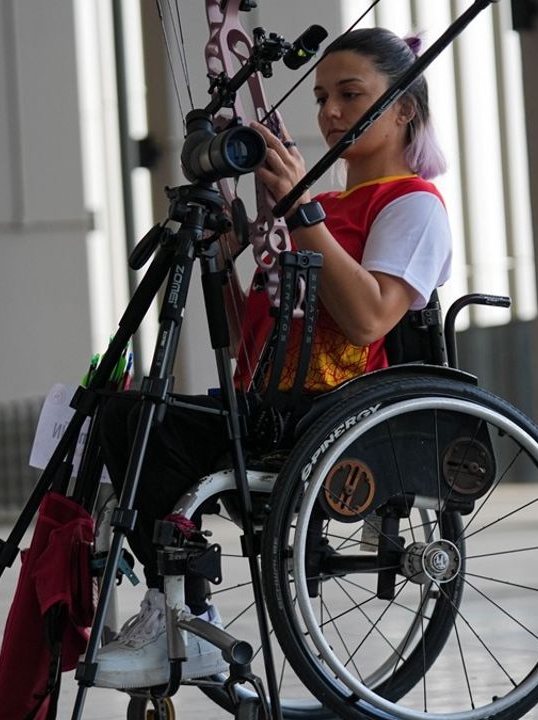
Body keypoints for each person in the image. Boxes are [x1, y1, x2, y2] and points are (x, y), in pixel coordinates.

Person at [92, 27, 453, 689]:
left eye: (351, 95)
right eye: (322, 97)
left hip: (331, 412)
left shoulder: (412, 205)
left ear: (404, 107)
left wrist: (298, 211)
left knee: (139, 425)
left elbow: (371, 314)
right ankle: (174, 608)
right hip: (271, 402)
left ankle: (180, 609)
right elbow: (256, 336)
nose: (331, 113)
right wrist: (227, 259)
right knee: (121, 416)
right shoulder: (324, 203)